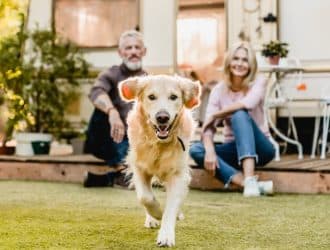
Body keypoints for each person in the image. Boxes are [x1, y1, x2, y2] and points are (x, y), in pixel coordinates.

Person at [189, 41, 275, 197]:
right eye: (236, 59)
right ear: (229, 62)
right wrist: (209, 151)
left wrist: (216, 115)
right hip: (233, 149)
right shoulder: (218, 90)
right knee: (196, 149)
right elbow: (208, 129)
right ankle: (249, 184)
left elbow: (248, 104)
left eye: (244, 60)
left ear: (251, 65)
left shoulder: (259, 82)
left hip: (261, 149)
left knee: (239, 114)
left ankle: (249, 179)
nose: (240, 64)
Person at [83, 30, 147, 187]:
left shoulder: (148, 80)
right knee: (102, 109)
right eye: (128, 48)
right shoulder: (112, 73)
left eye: (137, 47)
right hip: (107, 137)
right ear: (120, 52)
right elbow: (96, 92)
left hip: (133, 139)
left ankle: (111, 178)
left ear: (144, 51)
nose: (133, 52)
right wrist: (112, 112)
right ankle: (123, 171)